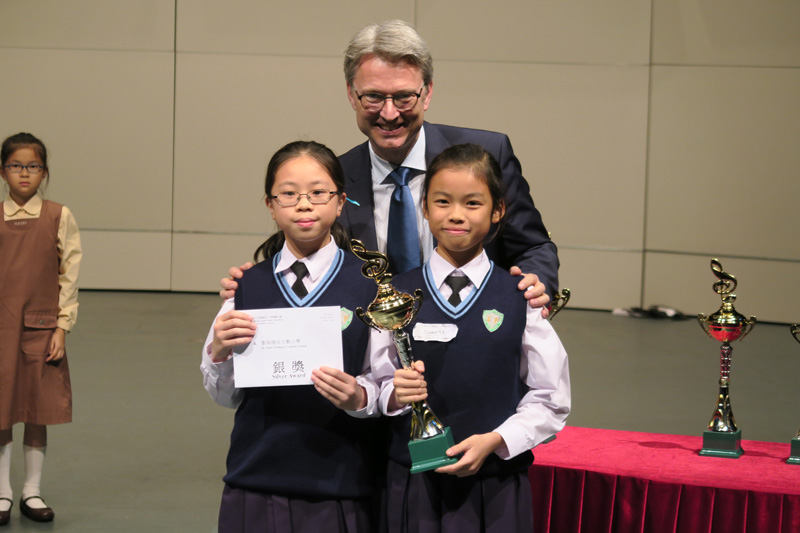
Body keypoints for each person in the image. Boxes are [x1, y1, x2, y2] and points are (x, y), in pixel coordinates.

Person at [220, 20, 557, 314]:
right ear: (351, 95)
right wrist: (256, 283)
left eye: (404, 97)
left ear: (427, 93)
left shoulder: (487, 155)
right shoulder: (333, 179)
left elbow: (533, 246)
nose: (390, 113)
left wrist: (535, 283)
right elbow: (303, 255)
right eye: (374, 97)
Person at [370, 143, 570, 532]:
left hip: (497, 486)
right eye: (442, 201)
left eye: (473, 203)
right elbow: (374, 383)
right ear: (424, 207)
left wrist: (497, 440)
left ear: (498, 211)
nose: (456, 214)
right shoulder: (393, 296)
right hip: (412, 484)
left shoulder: (520, 297)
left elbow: (551, 399)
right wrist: (394, 393)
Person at [201, 141, 386, 532]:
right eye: (288, 194)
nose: (304, 205)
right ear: (270, 205)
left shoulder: (370, 286)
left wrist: (358, 396)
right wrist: (220, 352)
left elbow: (385, 382)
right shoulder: (246, 287)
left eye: (318, 192)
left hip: (340, 479)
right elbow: (224, 396)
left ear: (341, 202)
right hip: (256, 476)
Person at [0, 133, 82, 525]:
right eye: (16, 165)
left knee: (37, 409)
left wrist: (62, 327)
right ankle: (2, 492)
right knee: (1, 410)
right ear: (3, 171)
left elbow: (70, 275)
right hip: (1, 328)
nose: (24, 173)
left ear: (44, 172)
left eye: (33, 166)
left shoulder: (58, 216)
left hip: (41, 328)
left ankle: (31, 491)